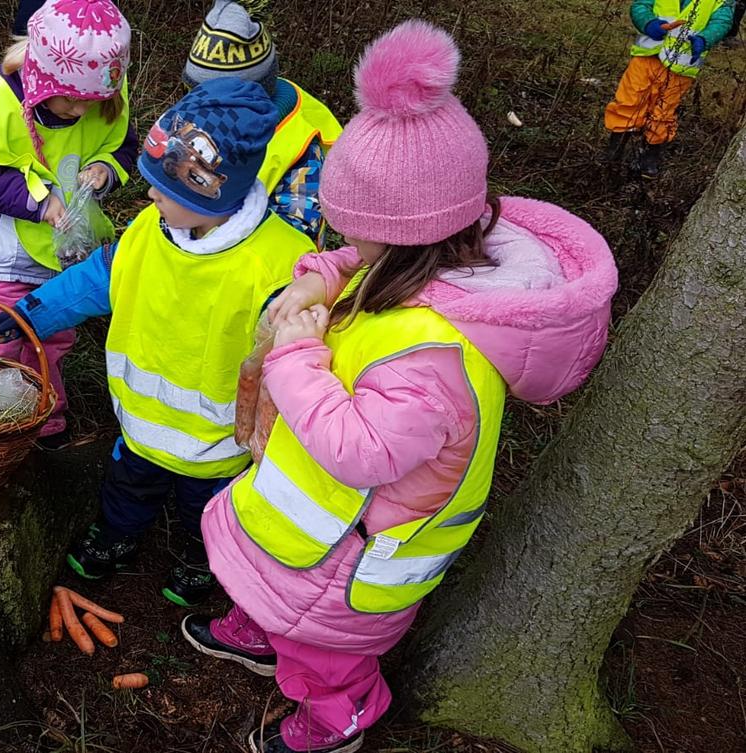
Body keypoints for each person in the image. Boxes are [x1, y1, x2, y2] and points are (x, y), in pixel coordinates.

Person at [180, 21, 618, 753]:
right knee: (274, 578)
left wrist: (293, 357)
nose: (345, 240)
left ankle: (339, 715)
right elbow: (357, 256)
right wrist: (321, 274)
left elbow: (360, 452)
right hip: (311, 525)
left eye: (357, 230)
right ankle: (265, 622)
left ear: (411, 234)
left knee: (325, 657)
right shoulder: (422, 261)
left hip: (354, 556)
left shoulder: (435, 360)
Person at [0, 78, 307, 606]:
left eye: (166, 188)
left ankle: (203, 561)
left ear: (213, 192)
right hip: (139, 423)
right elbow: (97, 279)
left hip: (217, 445)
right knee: (126, 489)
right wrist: (30, 314)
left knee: (208, 513)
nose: (150, 194)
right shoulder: (149, 230)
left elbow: (298, 357)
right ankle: (117, 540)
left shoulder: (277, 266)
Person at [0, 0, 139, 446]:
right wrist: (38, 201)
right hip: (4, 255)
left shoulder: (101, 94)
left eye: (92, 103)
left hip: (64, 254)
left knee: (52, 337)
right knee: (0, 338)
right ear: (44, 77)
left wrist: (106, 169)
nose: (79, 112)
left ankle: (42, 417)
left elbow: (122, 145)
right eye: (71, 100)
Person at [182, 0, 343, 248]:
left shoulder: (298, 146)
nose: (200, 110)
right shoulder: (201, 121)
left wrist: (221, 227)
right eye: (194, 94)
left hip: (268, 276)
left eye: (212, 103)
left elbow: (298, 234)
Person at [603, 0, 737, 177]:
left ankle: (651, 155)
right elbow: (640, 5)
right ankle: (615, 149)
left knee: (664, 110)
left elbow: (722, 22)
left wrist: (705, 39)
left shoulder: (722, 1)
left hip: (682, 65)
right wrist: (648, 22)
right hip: (647, 56)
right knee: (629, 100)